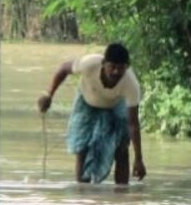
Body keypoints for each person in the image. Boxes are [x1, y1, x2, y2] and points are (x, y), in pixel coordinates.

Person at [37, 43, 147, 185]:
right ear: (103, 64)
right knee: (81, 147)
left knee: (121, 146)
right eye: (112, 67)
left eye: (121, 69)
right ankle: (82, 191)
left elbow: (133, 124)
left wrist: (138, 159)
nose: (115, 72)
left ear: (127, 67)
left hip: (114, 105)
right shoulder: (89, 64)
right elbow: (64, 69)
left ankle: (121, 195)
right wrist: (48, 94)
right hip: (86, 100)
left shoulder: (131, 84)